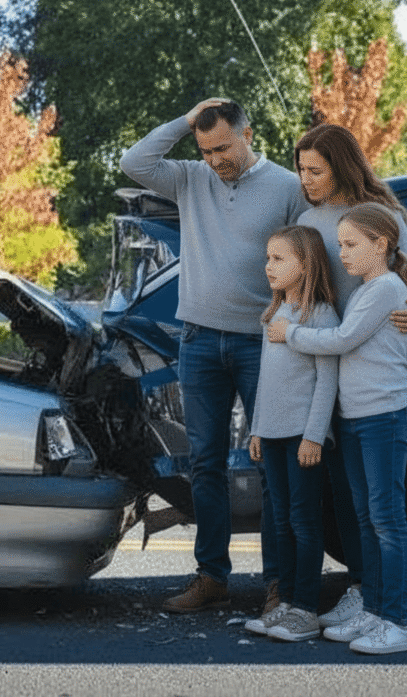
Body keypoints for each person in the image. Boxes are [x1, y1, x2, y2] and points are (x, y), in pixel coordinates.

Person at [120, 98, 307, 612]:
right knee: (204, 464)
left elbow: (307, 263)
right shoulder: (189, 179)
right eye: (205, 150)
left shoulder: (288, 189)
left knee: (274, 463)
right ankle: (212, 576)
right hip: (198, 340)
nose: (215, 160)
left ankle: (279, 584)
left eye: (223, 147)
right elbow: (132, 163)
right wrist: (183, 121)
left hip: (260, 344)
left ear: (249, 133)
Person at [269, 203, 407, 655]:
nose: (344, 254)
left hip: (384, 415)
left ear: (381, 244)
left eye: (352, 245)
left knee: (387, 519)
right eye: (340, 246)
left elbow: (341, 340)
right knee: (367, 519)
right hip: (357, 417)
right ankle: (373, 608)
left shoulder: (386, 288)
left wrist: (288, 333)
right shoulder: (368, 288)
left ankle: (396, 621)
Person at [292, 124, 407, 631]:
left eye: (315, 170)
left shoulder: (382, 216)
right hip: (326, 368)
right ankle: (364, 592)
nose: (306, 179)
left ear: (341, 165)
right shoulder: (306, 219)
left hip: (375, 366)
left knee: (381, 501)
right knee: (347, 494)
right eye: (301, 169)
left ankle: (383, 606)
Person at [244, 225, 340, 641]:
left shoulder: (320, 315)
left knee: (304, 521)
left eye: (279, 259)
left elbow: (326, 382)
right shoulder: (274, 314)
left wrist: (314, 435)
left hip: (304, 438)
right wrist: (257, 430)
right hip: (274, 435)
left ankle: (305, 608)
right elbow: (266, 382)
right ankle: (284, 602)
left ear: (306, 265)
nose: (269, 266)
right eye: (268, 258)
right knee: (280, 519)